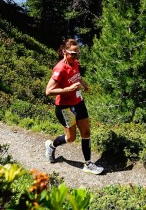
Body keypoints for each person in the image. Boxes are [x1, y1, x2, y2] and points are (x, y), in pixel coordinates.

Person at [44, 38, 103, 175]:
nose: (76, 56)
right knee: (71, 138)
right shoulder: (59, 69)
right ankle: (51, 146)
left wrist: (84, 84)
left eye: (77, 53)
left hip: (79, 102)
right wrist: (68, 89)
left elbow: (77, 76)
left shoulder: (75, 62)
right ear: (65, 52)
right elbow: (48, 91)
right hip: (65, 107)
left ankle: (88, 164)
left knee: (86, 133)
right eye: (73, 53)